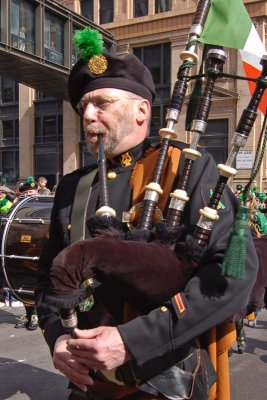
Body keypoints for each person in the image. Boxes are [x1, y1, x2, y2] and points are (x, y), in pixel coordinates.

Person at [35, 29, 258, 400]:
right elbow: (48, 276)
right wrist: (57, 338)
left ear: (141, 110)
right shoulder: (73, 186)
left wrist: (131, 341)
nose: (88, 115)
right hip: (88, 385)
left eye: (102, 102)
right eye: (83, 106)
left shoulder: (188, 168)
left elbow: (230, 279)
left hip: (163, 383)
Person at [14, 177, 39, 330]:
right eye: (28, 192)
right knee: (23, 282)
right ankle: (29, 313)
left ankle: (36, 314)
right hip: (21, 249)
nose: (30, 194)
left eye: (32, 191)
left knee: (37, 282)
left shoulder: (46, 204)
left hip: (38, 248)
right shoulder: (17, 206)